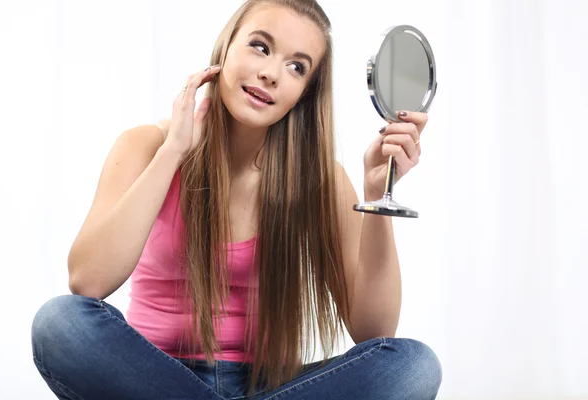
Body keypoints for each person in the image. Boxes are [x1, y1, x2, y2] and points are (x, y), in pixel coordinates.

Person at [31, 0, 442, 398]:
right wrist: (173, 150)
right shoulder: (146, 145)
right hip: (150, 377)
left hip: (274, 386)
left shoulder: (320, 179)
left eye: (296, 66)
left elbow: (375, 334)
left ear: (305, 92)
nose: (270, 74)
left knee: (412, 365)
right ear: (226, 48)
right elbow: (88, 280)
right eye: (260, 47)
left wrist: (376, 194)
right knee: (59, 325)